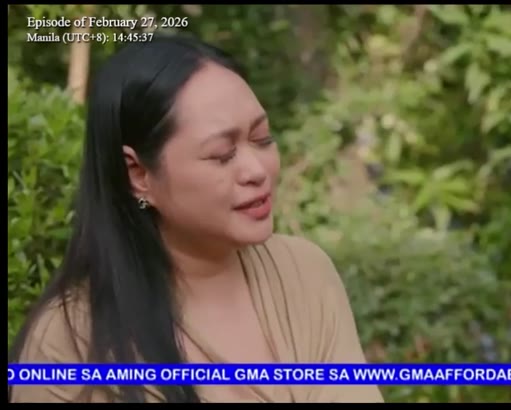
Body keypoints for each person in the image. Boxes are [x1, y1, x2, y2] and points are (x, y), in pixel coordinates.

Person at [8, 33, 384, 404]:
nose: (257, 170)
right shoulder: (67, 345)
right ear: (138, 174)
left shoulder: (304, 273)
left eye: (262, 139)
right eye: (222, 154)